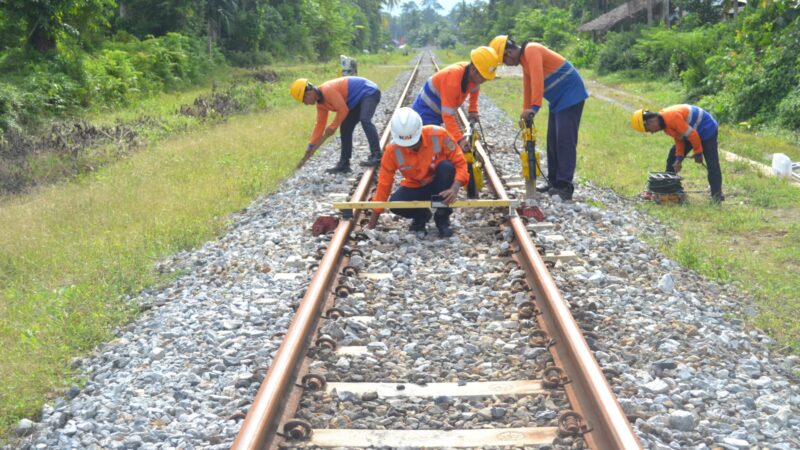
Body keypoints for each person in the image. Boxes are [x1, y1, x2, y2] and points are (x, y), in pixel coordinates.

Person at [489, 35, 589, 201]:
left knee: (564, 141)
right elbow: (528, 85)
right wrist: (525, 110)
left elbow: (537, 79)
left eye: (504, 60)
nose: (506, 64)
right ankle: (554, 182)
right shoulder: (525, 61)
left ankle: (565, 187)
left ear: (509, 52)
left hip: (571, 94)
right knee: (552, 141)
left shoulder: (532, 50)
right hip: (559, 99)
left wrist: (534, 108)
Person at [367, 107, 469, 238]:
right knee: (396, 203)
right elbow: (384, 184)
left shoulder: (439, 135)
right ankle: (421, 215)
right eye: (406, 144)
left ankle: (442, 217)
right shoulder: (392, 151)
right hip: (416, 186)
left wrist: (454, 189)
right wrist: (372, 223)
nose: (410, 147)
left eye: (413, 143)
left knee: (447, 167)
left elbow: (460, 163)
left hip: (440, 184)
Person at [410, 46, 499, 154]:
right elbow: (447, 116)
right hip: (425, 112)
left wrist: (473, 110)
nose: (484, 80)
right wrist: (460, 140)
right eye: (484, 77)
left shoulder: (472, 76)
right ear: (474, 70)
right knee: (431, 149)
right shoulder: (453, 79)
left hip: (437, 111)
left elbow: (475, 88)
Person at [631, 105, 724, 202]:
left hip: (707, 129)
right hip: (691, 131)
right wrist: (678, 159)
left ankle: (716, 196)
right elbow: (680, 139)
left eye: (649, 130)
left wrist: (698, 153)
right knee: (673, 156)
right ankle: (669, 188)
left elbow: (693, 135)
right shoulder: (666, 127)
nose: (652, 133)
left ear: (650, 122)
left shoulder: (672, 118)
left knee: (712, 164)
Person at [290, 76, 382, 173]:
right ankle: (344, 164)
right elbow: (319, 125)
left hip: (368, 92)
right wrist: (311, 146)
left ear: (308, 94)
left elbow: (343, 110)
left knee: (365, 119)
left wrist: (333, 127)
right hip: (355, 101)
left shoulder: (326, 90)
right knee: (345, 128)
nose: (306, 104)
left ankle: (376, 155)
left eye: (304, 101)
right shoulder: (321, 104)